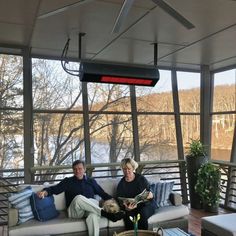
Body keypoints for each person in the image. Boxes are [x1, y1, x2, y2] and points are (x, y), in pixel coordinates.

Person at [37, 160, 124, 236]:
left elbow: (103, 194)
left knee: (93, 216)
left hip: (90, 209)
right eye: (75, 169)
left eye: (80, 168)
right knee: (79, 198)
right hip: (75, 211)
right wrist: (45, 192)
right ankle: (106, 214)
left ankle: (102, 214)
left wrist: (117, 203)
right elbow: (55, 189)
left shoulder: (91, 181)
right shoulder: (68, 181)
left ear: (84, 169)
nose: (77, 171)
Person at [116, 158, 157, 230]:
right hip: (131, 208)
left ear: (133, 168)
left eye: (129, 168)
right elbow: (121, 202)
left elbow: (151, 194)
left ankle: (143, 235)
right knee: (128, 217)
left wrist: (151, 195)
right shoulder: (121, 184)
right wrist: (126, 208)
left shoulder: (141, 179)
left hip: (146, 205)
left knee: (141, 215)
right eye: (124, 169)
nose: (127, 171)